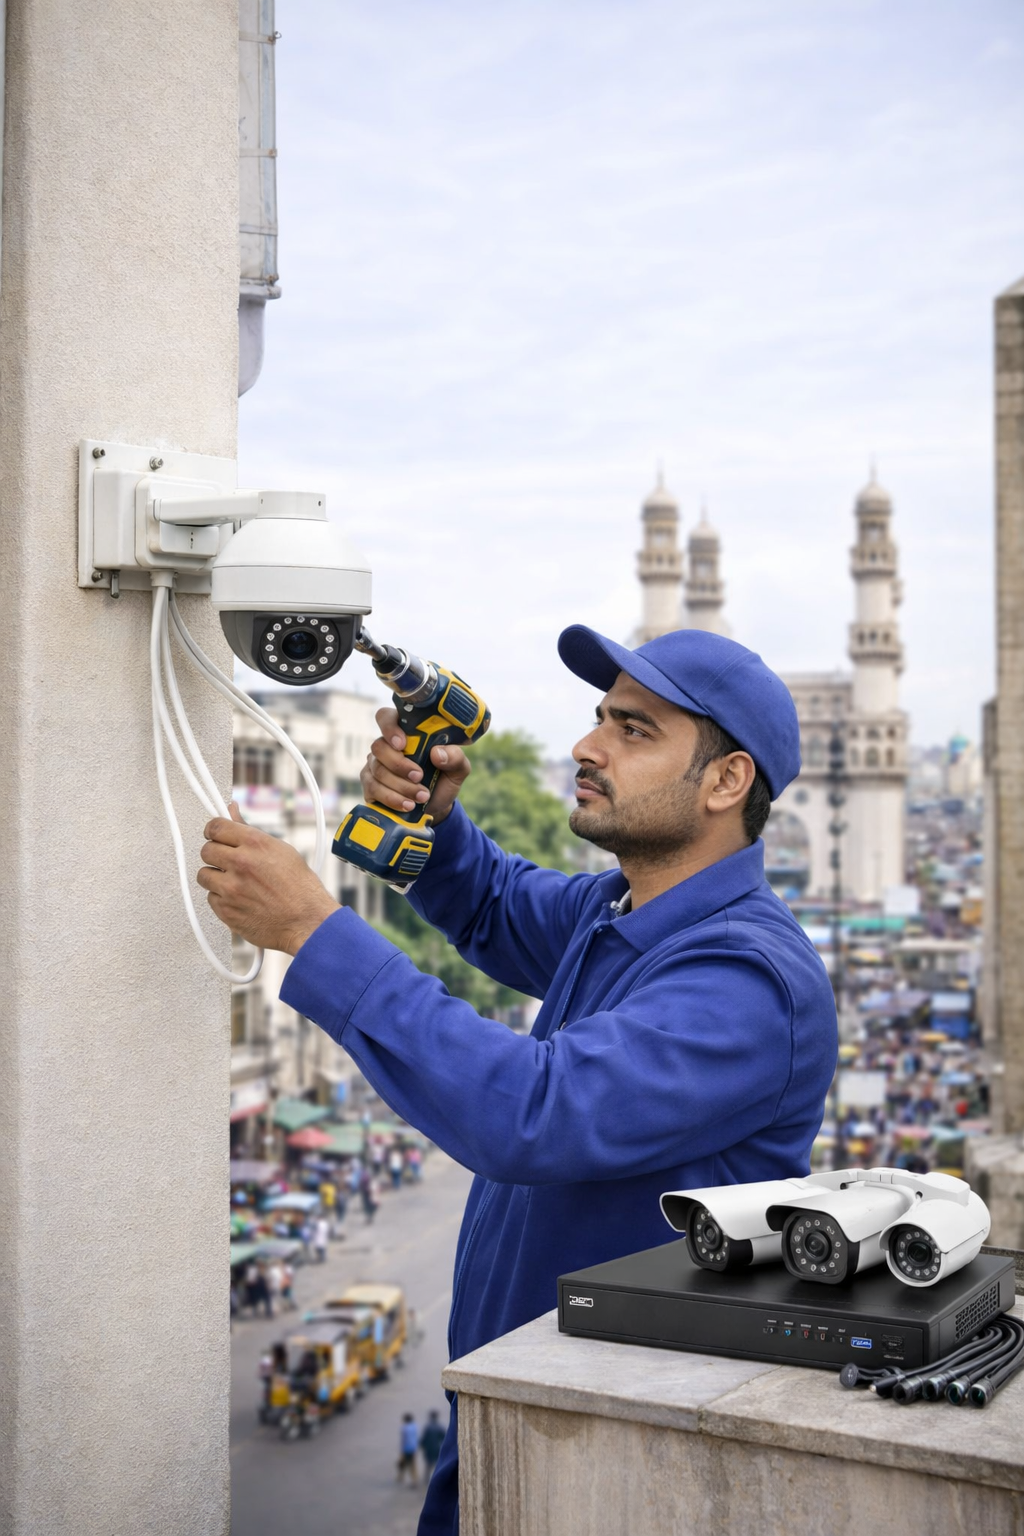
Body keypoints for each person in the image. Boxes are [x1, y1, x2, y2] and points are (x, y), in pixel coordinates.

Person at [196, 626, 837, 1536]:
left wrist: (312, 930)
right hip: (513, 1413)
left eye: (634, 730)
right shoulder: (620, 913)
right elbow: (495, 902)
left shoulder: (749, 981)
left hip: (607, 1460)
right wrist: (433, 818)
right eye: (601, 718)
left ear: (727, 781)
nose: (587, 746)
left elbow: (533, 1112)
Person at [420, 1410, 445, 1482]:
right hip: (437, 1448)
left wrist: (422, 1445)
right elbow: (444, 1438)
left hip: (429, 1449)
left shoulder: (428, 1427)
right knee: (437, 1464)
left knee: (428, 1464)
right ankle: (438, 1478)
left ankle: (426, 1479)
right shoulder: (440, 1427)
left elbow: (424, 1439)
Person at [397, 1413, 419, 1488]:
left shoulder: (404, 1428)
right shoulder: (414, 1426)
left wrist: (401, 1450)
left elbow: (403, 1440)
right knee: (412, 1465)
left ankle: (401, 1477)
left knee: (403, 1464)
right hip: (413, 1448)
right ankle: (414, 1480)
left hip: (406, 1449)